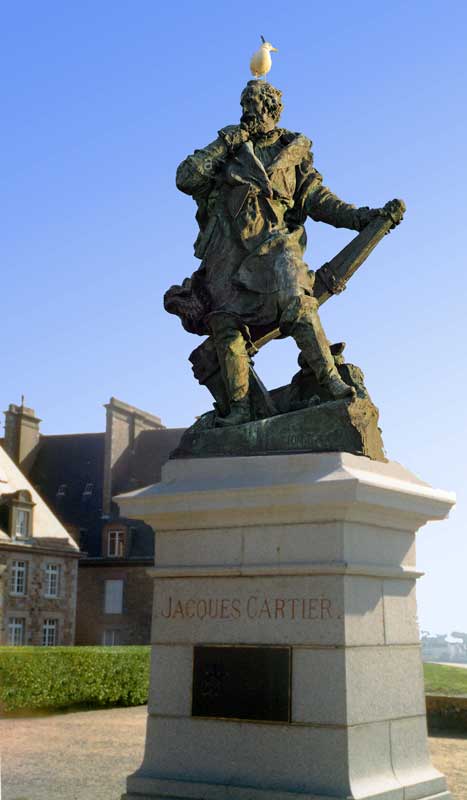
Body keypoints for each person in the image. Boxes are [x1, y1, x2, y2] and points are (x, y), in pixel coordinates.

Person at [170, 80, 387, 426]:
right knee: (225, 326)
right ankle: (240, 409)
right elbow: (185, 178)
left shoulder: (291, 153)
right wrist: (227, 141)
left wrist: (361, 218)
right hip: (228, 254)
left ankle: (329, 379)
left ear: (272, 110)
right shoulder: (229, 152)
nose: (247, 112)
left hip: (274, 245)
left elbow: (319, 201)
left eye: (254, 104)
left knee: (297, 302)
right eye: (244, 105)